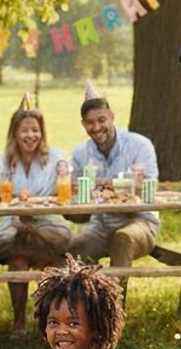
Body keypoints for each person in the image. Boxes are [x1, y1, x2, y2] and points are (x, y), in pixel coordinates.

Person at [0, 105, 71, 334]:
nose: (31, 136)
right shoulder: (3, 161)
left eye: (35, 130)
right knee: (17, 262)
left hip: (47, 223)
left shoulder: (56, 157)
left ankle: (51, 319)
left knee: (58, 242)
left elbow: (65, 189)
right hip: (15, 222)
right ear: (14, 134)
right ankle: (19, 321)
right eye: (24, 130)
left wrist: (65, 174)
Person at [67, 93, 159, 269]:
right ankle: (87, 294)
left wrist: (114, 184)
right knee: (74, 250)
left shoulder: (139, 145)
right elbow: (76, 197)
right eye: (90, 122)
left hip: (140, 221)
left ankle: (115, 296)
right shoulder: (80, 154)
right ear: (83, 124)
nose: (96, 127)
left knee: (122, 239)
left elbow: (148, 189)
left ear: (111, 116)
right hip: (100, 224)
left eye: (102, 120)